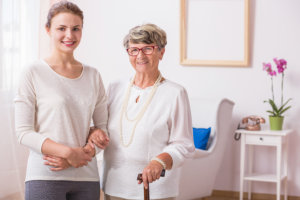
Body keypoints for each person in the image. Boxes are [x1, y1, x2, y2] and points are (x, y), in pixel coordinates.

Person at [14, 1, 109, 200]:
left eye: (76, 29)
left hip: (87, 178)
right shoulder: (32, 72)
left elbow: (103, 130)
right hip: (45, 175)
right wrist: (68, 153)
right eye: (62, 28)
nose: (69, 35)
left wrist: (84, 154)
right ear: (48, 30)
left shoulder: (93, 75)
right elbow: (23, 132)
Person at [89, 23, 195, 200]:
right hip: (113, 186)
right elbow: (100, 128)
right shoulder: (114, 87)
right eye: (134, 49)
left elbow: (184, 145)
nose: (140, 55)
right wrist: (94, 133)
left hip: (155, 190)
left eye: (148, 48)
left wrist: (159, 161)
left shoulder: (175, 93)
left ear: (161, 52)